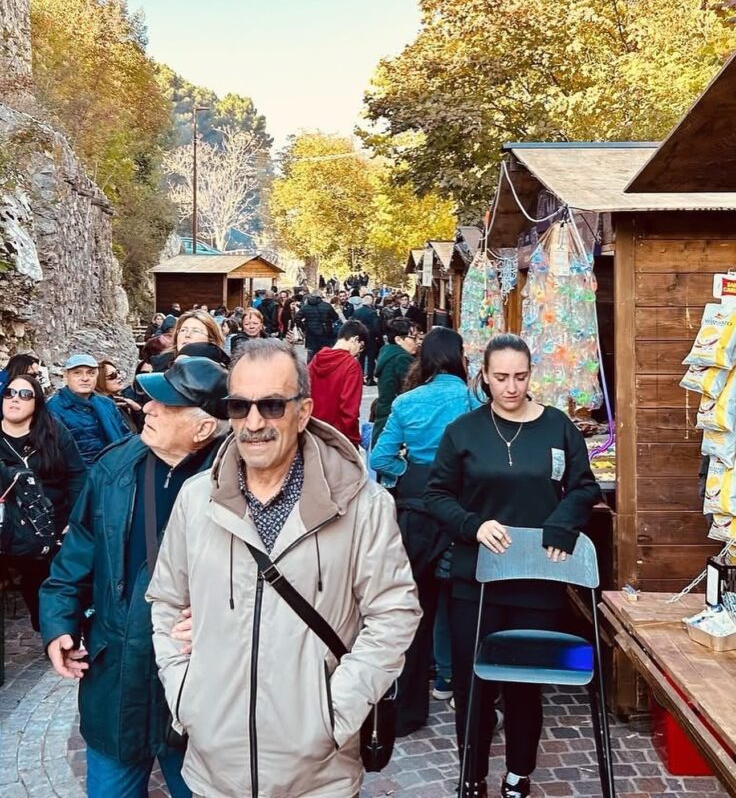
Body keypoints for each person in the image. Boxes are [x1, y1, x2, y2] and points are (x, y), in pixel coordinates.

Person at [146, 338, 421, 798]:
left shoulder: (361, 505)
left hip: (318, 777)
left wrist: (334, 714)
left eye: (272, 405)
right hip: (216, 773)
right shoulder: (196, 500)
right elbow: (166, 600)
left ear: (304, 410)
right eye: (239, 406)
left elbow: (394, 613)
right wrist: (185, 694)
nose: (254, 423)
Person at [39, 357, 229, 798]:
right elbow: (75, 558)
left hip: (201, 690)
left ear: (203, 429)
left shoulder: (238, 483)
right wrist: (58, 625)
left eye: (165, 404)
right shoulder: (113, 467)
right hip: (115, 683)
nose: (148, 408)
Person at [425, 334, 601, 798]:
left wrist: (561, 526)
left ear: (530, 375)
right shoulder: (463, 431)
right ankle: (472, 772)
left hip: (537, 578)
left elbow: (584, 488)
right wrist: (472, 525)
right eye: (501, 377)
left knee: (526, 685)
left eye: (520, 377)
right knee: (473, 685)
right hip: (475, 578)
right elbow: (436, 495)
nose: (510, 387)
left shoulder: (557, 427)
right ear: (484, 375)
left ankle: (519, 773)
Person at [370, 327, 482, 736]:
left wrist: (410, 474)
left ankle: (410, 707)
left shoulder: (405, 402)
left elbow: (381, 457)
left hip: (415, 516)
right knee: (461, 603)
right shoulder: (474, 403)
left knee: (414, 608)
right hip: (460, 513)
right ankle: (461, 691)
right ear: (459, 357)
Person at [0, 374, 85, 631]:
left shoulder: (53, 432)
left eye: (25, 395)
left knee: (55, 582)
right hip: (11, 529)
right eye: (10, 393)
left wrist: (76, 518)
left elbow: (77, 475)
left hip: (55, 524)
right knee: (32, 580)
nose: (15, 399)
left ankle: (57, 630)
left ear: (36, 402)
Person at [47, 354, 131, 467]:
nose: (85, 378)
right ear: (66, 376)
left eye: (91, 373)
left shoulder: (106, 404)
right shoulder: (53, 408)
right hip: (80, 477)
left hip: (116, 470)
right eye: (77, 373)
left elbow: (125, 436)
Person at [308, 319, 369, 447]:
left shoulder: (316, 359)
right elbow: (349, 409)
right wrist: (353, 440)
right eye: (361, 347)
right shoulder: (351, 365)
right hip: (339, 436)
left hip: (313, 433)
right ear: (355, 339)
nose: (359, 352)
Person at [372, 318, 419, 446]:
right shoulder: (401, 358)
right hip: (394, 419)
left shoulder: (387, 353)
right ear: (398, 339)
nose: (417, 342)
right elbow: (410, 391)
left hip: (385, 414)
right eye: (413, 337)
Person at [96, 359, 145, 432]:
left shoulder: (120, 402)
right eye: (112, 375)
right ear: (100, 381)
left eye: (118, 372)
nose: (119, 376)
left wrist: (137, 410)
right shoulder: (102, 407)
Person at [295, 289, 338, 361]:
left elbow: (296, 318)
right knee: (325, 355)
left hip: (310, 334)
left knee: (311, 355)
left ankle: (310, 371)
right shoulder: (327, 306)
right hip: (325, 334)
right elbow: (335, 317)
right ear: (321, 296)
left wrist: (304, 328)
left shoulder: (306, 307)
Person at [355, 294, 381, 385]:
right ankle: (370, 378)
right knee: (371, 359)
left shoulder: (357, 312)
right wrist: (378, 336)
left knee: (361, 358)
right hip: (371, 338)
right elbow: (376, 326)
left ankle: (360, 377)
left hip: (360, 338)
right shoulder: (372, 312)